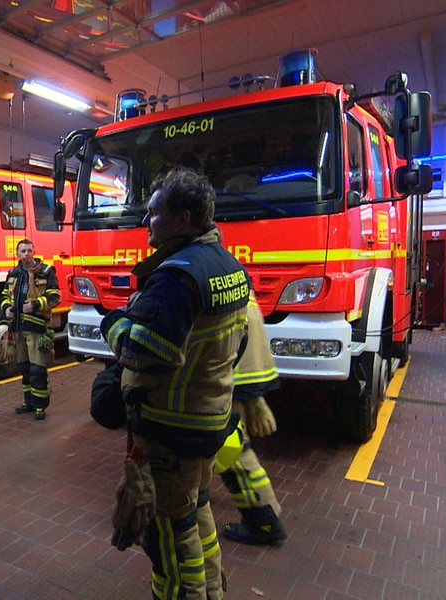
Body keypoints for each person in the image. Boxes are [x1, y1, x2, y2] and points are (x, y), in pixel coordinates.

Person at [100, 167, 250, 600]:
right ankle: (213, 591)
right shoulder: (226, 265)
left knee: (168, 535)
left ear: (183, 218)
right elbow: (234, 346)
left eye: (154, 213)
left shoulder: (176, 276)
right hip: (208, 421)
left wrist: (115, 324)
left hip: (170, 429)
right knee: (196, 514)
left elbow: (150, 351)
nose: (147, 222)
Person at [217, 292, 288, 547]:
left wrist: (253, 398)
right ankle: (264, 516)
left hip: (221, 377)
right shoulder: (227, 269)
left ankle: (263, 520)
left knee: (231, 449)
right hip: (237, 369)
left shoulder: (191, 267)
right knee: (232, 446)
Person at [1, 238, 61, 420]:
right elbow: (4, 295)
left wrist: (35, 305)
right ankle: (28, 402)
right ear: (17, 254)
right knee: (24, 368)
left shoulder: (46, 272)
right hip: (18, 329)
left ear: (34, 251)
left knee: (38, 369)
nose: (26, 254)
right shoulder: (13, 274)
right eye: (23, 251)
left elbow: (55, 297)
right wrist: (6, 309)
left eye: (29, 250)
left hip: (37, 328)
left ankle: (40, 406)